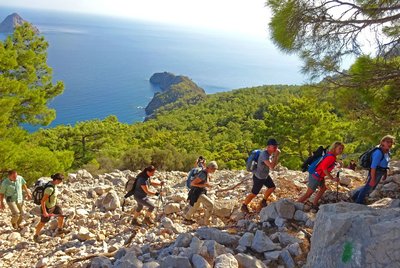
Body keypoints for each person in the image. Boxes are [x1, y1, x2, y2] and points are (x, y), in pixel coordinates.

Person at [298, 142, 344, 210]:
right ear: (334, 148)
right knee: (308, 194)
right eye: (339, 148)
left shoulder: (331, 155)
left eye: (342, 149)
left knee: (323, 188)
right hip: (316, 176)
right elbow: (324, 168)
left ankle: (314, 204)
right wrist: (332, 178)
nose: (341, 150)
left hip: (319, 175)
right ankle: (294, 205)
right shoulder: (331, 157)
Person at [241, 138, 281, 213]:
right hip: (259, 177)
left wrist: (275, 155)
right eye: (274, 147)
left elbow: (272, 164)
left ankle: (263, 201)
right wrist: (276, 156)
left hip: (265, 175)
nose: (276, 148)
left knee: (272, 187)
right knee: (254, 193)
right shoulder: (264, 155)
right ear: (268, 147)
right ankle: (244, 205)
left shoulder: (269, 153)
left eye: (276, 146)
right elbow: (272, 167)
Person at [352, 135, 395, 204]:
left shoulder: (387, 152)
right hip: (375, 172)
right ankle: (358, 202)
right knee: (369, 187)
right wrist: (372, 178)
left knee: (369, 187)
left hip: (380, 172)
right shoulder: (378, 152)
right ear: (382, 142)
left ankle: (354, 197)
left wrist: (385, 173)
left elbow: (385, 163)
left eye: (391, 142)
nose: (390, 144)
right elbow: (373, 167)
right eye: (388, 142)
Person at [34, 173, 66, 243]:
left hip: (54, 205)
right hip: (47, 208)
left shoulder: (53, 185)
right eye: (61, 181)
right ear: (57, 180)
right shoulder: (49, 189)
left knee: (61, 216)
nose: (61, 182)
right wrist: (45, 212)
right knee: (42, 222)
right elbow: (43, 201)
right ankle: (36, 236)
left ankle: (60, 229)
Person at [184, 161, 218, 225]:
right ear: (210, 168)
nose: (214, 171)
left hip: (199, 192)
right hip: (197, 193)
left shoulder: (206, 171)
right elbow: (192, 183)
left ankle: (187, 218)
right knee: (210, 205)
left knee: (196, 206)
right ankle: (206, 222)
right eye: (213, 170)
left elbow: (205, 181)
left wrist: (208, 185)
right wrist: (205, 185)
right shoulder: (202, 174)